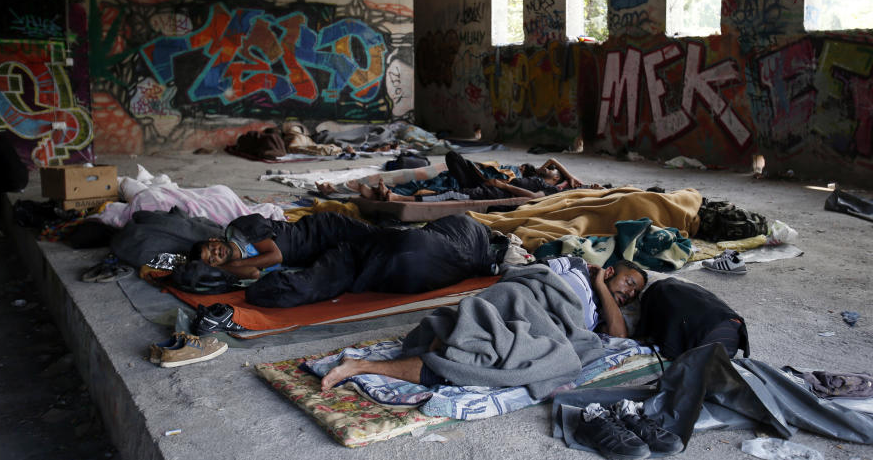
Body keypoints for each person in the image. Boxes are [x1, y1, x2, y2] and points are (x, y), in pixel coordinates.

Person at [320, 257, 647, 390]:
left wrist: (604, 290)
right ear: (610, 269)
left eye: (635, 294)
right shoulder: (575, 265)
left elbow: (619, 335)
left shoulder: (602, 313)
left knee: (493, 353)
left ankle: (363, 366)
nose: (630, 294)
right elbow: (526, 272)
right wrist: (593, 278)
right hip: (522, 296)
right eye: (629, 282)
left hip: (545, 323)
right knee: (472, 333)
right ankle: (449, 344)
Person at [191, 211, 497, 308]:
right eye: (214, 259)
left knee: (380, 240)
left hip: (327, 231)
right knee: (376, 250)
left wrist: (226, 265)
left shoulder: (243, 228)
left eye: (214, 250)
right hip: (328, 252)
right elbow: (256, 275)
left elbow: (274, 255)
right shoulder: (242, 261)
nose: (217, 254)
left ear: (217, 239)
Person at [347, 151, 599, 202]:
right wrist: (565, 171)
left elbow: (533, 197)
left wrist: (500, 183)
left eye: (551, 172)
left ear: (555, 180)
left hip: (492, 186)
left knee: (449, 191)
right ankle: (383, 193)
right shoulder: (540, 174)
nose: (548, 168)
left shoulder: (550, 188)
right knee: (448, 168)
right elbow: (553, 160)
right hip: (489, 179)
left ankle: (388, 196)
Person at [633, 275, 749, 360]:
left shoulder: (655, 289)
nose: (629, 292)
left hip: (709, 335)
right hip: (731, 327)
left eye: (630, 283)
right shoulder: (684, 284)